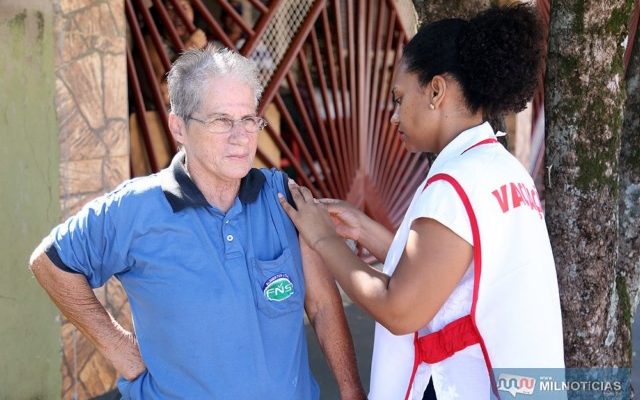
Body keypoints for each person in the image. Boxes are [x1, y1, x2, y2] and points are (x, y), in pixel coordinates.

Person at [30, 45, 366, 399]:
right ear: (179, 127)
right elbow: (50, 263)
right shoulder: (136, 209)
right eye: (221, 120)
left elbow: (323, 305)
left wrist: (351, 389)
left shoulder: (283, 197)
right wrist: (123, 351)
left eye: (249, 119)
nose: (241, 136)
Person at [278, 4, 564, 400]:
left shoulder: (456, 182)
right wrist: (362, 228)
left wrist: (324, 239)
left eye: (398, 98)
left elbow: (402, 309)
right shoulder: (503, 169)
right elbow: (451, 274)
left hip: (459, 385)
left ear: (435, 91)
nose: (394, 116)